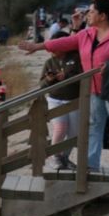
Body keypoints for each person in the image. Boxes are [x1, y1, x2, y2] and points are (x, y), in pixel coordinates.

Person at [19, 0, 109, 174]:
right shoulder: (87, 34)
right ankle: (90, 165)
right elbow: (64, 42)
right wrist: (37, 47)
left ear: (103, 16)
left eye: (91, 12)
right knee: (93, 126)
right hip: (92, 89)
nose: (88, 15)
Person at [38, 32, 82, 169]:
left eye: (55, 46)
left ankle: (64, 158)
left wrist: (67, 76)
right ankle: (54, 157)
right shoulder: (49, 63)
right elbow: (41, 85)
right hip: (55, 99)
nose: (51, 50)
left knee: (74, 133)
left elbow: (82, 77)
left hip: (74, 99)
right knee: (60, 128)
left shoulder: (76, 58)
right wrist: (49, 80)